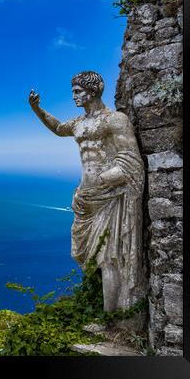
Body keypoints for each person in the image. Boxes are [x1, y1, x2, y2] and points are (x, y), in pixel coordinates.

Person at [28, 71, 146, 312]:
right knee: (87, 255)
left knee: (109, 256)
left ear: (92, 91)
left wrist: (108, 177)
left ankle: (111, 316)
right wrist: (37, 110)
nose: (73, 96)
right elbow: (59, 128)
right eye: (73, 92)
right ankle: (100, 307)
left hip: (109, 195)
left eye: (77, 91)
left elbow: (131, 159)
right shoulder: (79, 123)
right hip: (85, 198)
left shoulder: (115, 120)